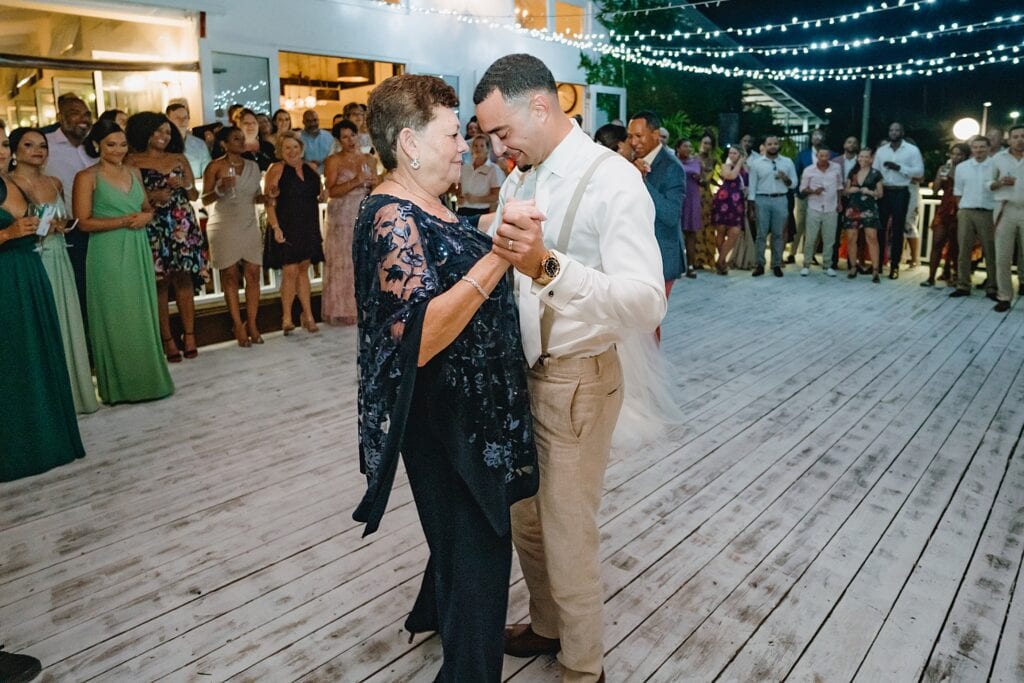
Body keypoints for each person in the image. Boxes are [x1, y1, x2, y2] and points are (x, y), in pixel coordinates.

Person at [476, 53, 666, 683]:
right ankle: (547, 623)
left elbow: (645, 300)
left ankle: (584, 666)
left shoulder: (613, 179)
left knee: (566, 530)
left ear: (541, 104)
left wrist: (548, 266)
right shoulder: (519, 179)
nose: (498, 147)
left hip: (578, 378)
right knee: (524, 517)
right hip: (519, 375)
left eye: (502, 132)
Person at [353, 73, 538, 682]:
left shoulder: (431, 204)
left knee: (460, 537)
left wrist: (484, 230)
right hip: (443, 422)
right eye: (454, 134)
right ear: (409, 142)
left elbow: (446, 248)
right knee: (483, 551)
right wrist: (496, 260)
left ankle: (433, 609)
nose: (466, 146)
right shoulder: (388, 218)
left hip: (472, 410)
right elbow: (422, 335)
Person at [72, 119, 174, 404]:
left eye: (122, 144)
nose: (118, 150)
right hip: (107, 251)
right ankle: (119, 387)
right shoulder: (87, 177)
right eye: (110, 144)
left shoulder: (133, 172)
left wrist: (147, 216)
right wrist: (126, 221)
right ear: (97, 145)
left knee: (141, 312)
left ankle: (150, 381)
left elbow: (145, 209)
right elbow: (83, 223)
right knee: (116, 315)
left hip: (137, 247)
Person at [1, 160, 86, 481]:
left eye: (4, 144)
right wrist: (6, 234)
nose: (1, 151)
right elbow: (10, 233)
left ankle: (48, 439)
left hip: (29, 271)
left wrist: (43, 229)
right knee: (11, 359)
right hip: (4, 277)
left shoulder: (16, 185)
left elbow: (29, 231)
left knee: (37, 353)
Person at [7, 127, 97, 413]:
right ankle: (51, 398)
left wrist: (61, 224)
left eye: (42, 145)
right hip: (33, 258)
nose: (37, 150)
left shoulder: (55, 183)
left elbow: (65, 217)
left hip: (60, 254)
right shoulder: (8, 185)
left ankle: (76, 393)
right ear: (14, 150)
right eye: (29, 145)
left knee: (67, 318)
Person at [126, 112, 209, 362]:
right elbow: (130, 198)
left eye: (167, 133)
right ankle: (167, 339)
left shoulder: (178, 157)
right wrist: (153, 195)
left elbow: (193, 195)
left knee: (184, 279)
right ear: (145, 132)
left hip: (181, 221)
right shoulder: (132, 160)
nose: (164, 136)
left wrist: (183, 183)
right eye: (158, 131)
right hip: (153, 223)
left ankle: (190, 334)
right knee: (160, 282)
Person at [201, 126, 266, 346]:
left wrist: (265, 199)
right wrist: (219, 188)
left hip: (248, 223)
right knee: (229, 275)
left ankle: (253, 322)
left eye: (242, 138)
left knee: (254, 273)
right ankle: (237, 324)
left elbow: (255, 195)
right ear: (224, 144)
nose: (241, 142)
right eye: (235, 139)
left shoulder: (253, 166)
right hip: (224, 224)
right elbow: (205, 200)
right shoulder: (215, 166)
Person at [263, 131, 324, 334]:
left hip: (308, 223)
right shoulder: (277, 169)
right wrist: (275, 227)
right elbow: (269, 202)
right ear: (280, 150)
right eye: (287, 148)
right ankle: (287, 317)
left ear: (302, 149)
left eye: (295, 147)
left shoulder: (309, 169)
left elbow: (320, 195)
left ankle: (308, 315)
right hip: (287, 224)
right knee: (289, 271)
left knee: (303, 269)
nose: (292, 151)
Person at [44, 95, 95, 322]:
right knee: (77, 293)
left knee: (98, 292)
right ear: (60, 117)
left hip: (102, 228)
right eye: (75, 113)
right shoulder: (45, 144)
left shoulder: (95, 145)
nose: (82, 119)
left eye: (86, 114)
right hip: (65, 231)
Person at [322, 119, 377, 325]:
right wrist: (356, 181)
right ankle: (342, 309)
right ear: (339, 140)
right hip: (341, 215)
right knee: (343, 261)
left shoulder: (368, 159)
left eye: (352, 135)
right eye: (344, 137)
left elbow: (374, 188)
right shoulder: (333, 161)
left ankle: (365, 308)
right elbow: (331, 191)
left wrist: (373, 184)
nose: (350, 140)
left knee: (364, 259)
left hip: (363, 212)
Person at [627, 111, 684, 304]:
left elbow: (671, 215)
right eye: (630, 136)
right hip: (637, 257)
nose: (633, 142)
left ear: (655, 134)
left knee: (648, 327)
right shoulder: (631, 161)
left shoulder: (672, 167)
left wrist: (641, 181)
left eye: (638, 136)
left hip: (661, 259)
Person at [873, 122, 924, 279]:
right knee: (880, 229)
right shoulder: (882, 150)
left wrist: (899, 167)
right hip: (884, 191)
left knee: (897, 229)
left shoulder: (912, 150)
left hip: (901, 192)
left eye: (897, 130)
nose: (894, 132)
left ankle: (895, 266)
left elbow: (919, 171)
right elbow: (875, 171)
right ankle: (880, 264)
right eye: (891, 130)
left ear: (902, 132)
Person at [950, 135, 997, 300]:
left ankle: (992, 287)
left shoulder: (995, 165)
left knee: (990, 251)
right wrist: (960, 210)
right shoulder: (962, 167)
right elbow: (958, 192)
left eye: (982, 147)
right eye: (975, 147)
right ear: (971, 149)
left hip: (988, 212)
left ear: (988, 148)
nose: (978, 150)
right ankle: (963, 285)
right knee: (963, 249)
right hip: (966, 211)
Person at [747, 135, 798, 277]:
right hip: (762, 199)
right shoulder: (757, 163)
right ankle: (759, 264)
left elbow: (794, 183)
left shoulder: (787, 162)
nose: (773, 146)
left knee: (778, 234)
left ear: (779, 145)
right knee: (761, 234)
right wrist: (751, 206)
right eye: (770, 144)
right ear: (765, 145)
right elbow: (752, 186)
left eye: (775, 143)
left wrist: (785, 178)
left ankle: (776, 264)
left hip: (780, 199)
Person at [921, 143, 970, 288]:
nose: (956, 157)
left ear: (965, 156)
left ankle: (956, 276)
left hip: (961, 209)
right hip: (944, 209)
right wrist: (940, 178)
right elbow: (935, 191)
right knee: (937, 242)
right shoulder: (944, 169)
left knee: (957, 245)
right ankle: (931, 276)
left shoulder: (968, 170)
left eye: (959, 154)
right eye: (953, 154)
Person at [990, 124, 1024, 312]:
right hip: (1006, 208)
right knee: (1002, 256)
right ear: (1009, 139)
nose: (1020, 139)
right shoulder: (998, 158)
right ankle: (1004, 296)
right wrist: (999, 182)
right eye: (1016, 136)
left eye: (1023, 136)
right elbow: (988, 183)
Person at [798, 147, 843, 277]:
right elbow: (802, 189)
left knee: (829, 238)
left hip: (831, 207)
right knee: (811, 237)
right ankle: (806, 264)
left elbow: (839, 186)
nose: (824, 159)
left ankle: (827, 265)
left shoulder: (836, 168)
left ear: (829, 156)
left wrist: (839, 203)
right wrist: (813, 191)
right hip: (814, 207)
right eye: (821, 156)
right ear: (817, 156)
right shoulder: (808, 170)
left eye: (826, 156)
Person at [842, 148, 884, 282]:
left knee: (872, 237)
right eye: (861, 156)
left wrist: (870, 192)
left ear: (871, 159)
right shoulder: (853, 172)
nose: (863, 159)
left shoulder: (876, 173)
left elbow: (880, 193)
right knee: (851, 238)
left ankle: (875, 270)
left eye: (866, 157)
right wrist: (850, 190)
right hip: (853, 207)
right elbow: (845, 191)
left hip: (869, 208)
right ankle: (853, 266)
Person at [711, 145, 748, 274]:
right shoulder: (726, 166)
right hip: (724, 200)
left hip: (737, 202)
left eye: (735, 153)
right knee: (720, 231)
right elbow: (731, 176)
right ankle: (722, 263)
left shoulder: (746, 168)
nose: (732, 155)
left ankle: (720, 260)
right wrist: (738, 164)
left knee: (734, 232)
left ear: (740, 154)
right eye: (730, 153)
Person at [457, 134, 504, 216]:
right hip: (462, 210)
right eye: (475, 145)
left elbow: (496, 196)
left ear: (487, 149)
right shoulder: (465, 168)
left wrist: (477, 199)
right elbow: (459, 187)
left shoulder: (493, 169)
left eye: (482, 146)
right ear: (472, 148)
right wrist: (459, 196)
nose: (478, 148)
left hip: (481, 212)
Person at [676, 138, 703, 278]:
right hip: (678, 200)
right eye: (685, 146)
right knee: (675, 234)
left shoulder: (696, 162)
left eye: (690, 146)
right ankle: (676, 266)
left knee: (691, 234)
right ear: (678, 148)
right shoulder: (673, 161)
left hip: (692, 200)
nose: (688, 149)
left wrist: (699, 178)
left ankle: (691, 266)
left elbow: (704, 182)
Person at [166, 101, 211, 178]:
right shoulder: (162, 143)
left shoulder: (200, 144)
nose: (182, 121)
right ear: (168, 120)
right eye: (177, 118)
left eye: (185, 117)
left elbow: (208, 173)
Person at [694, 133, 718, 269]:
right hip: (694, 194)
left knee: (707, 226)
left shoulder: (712, 160)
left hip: (707, 196)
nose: (706, 145)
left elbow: (709, 179)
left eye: (709, 143)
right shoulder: (693, 159)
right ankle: (696, 259)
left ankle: (708, 258)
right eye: (704, 142)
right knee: (696, 226)